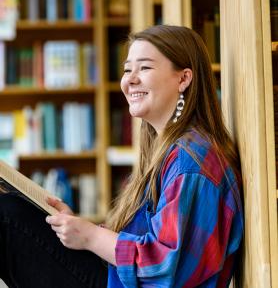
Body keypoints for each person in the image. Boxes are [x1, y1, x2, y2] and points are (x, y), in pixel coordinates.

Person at [0, 25, 243, 288]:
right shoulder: (169, 150)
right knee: (16, 208)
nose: (130, 79)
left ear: (183, 79)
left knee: (7, 215)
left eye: (145, 68)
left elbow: (166, 269)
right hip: (115, 277)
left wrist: (92, 237)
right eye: (128, 69)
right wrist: (76, 228)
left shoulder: (193, 162)